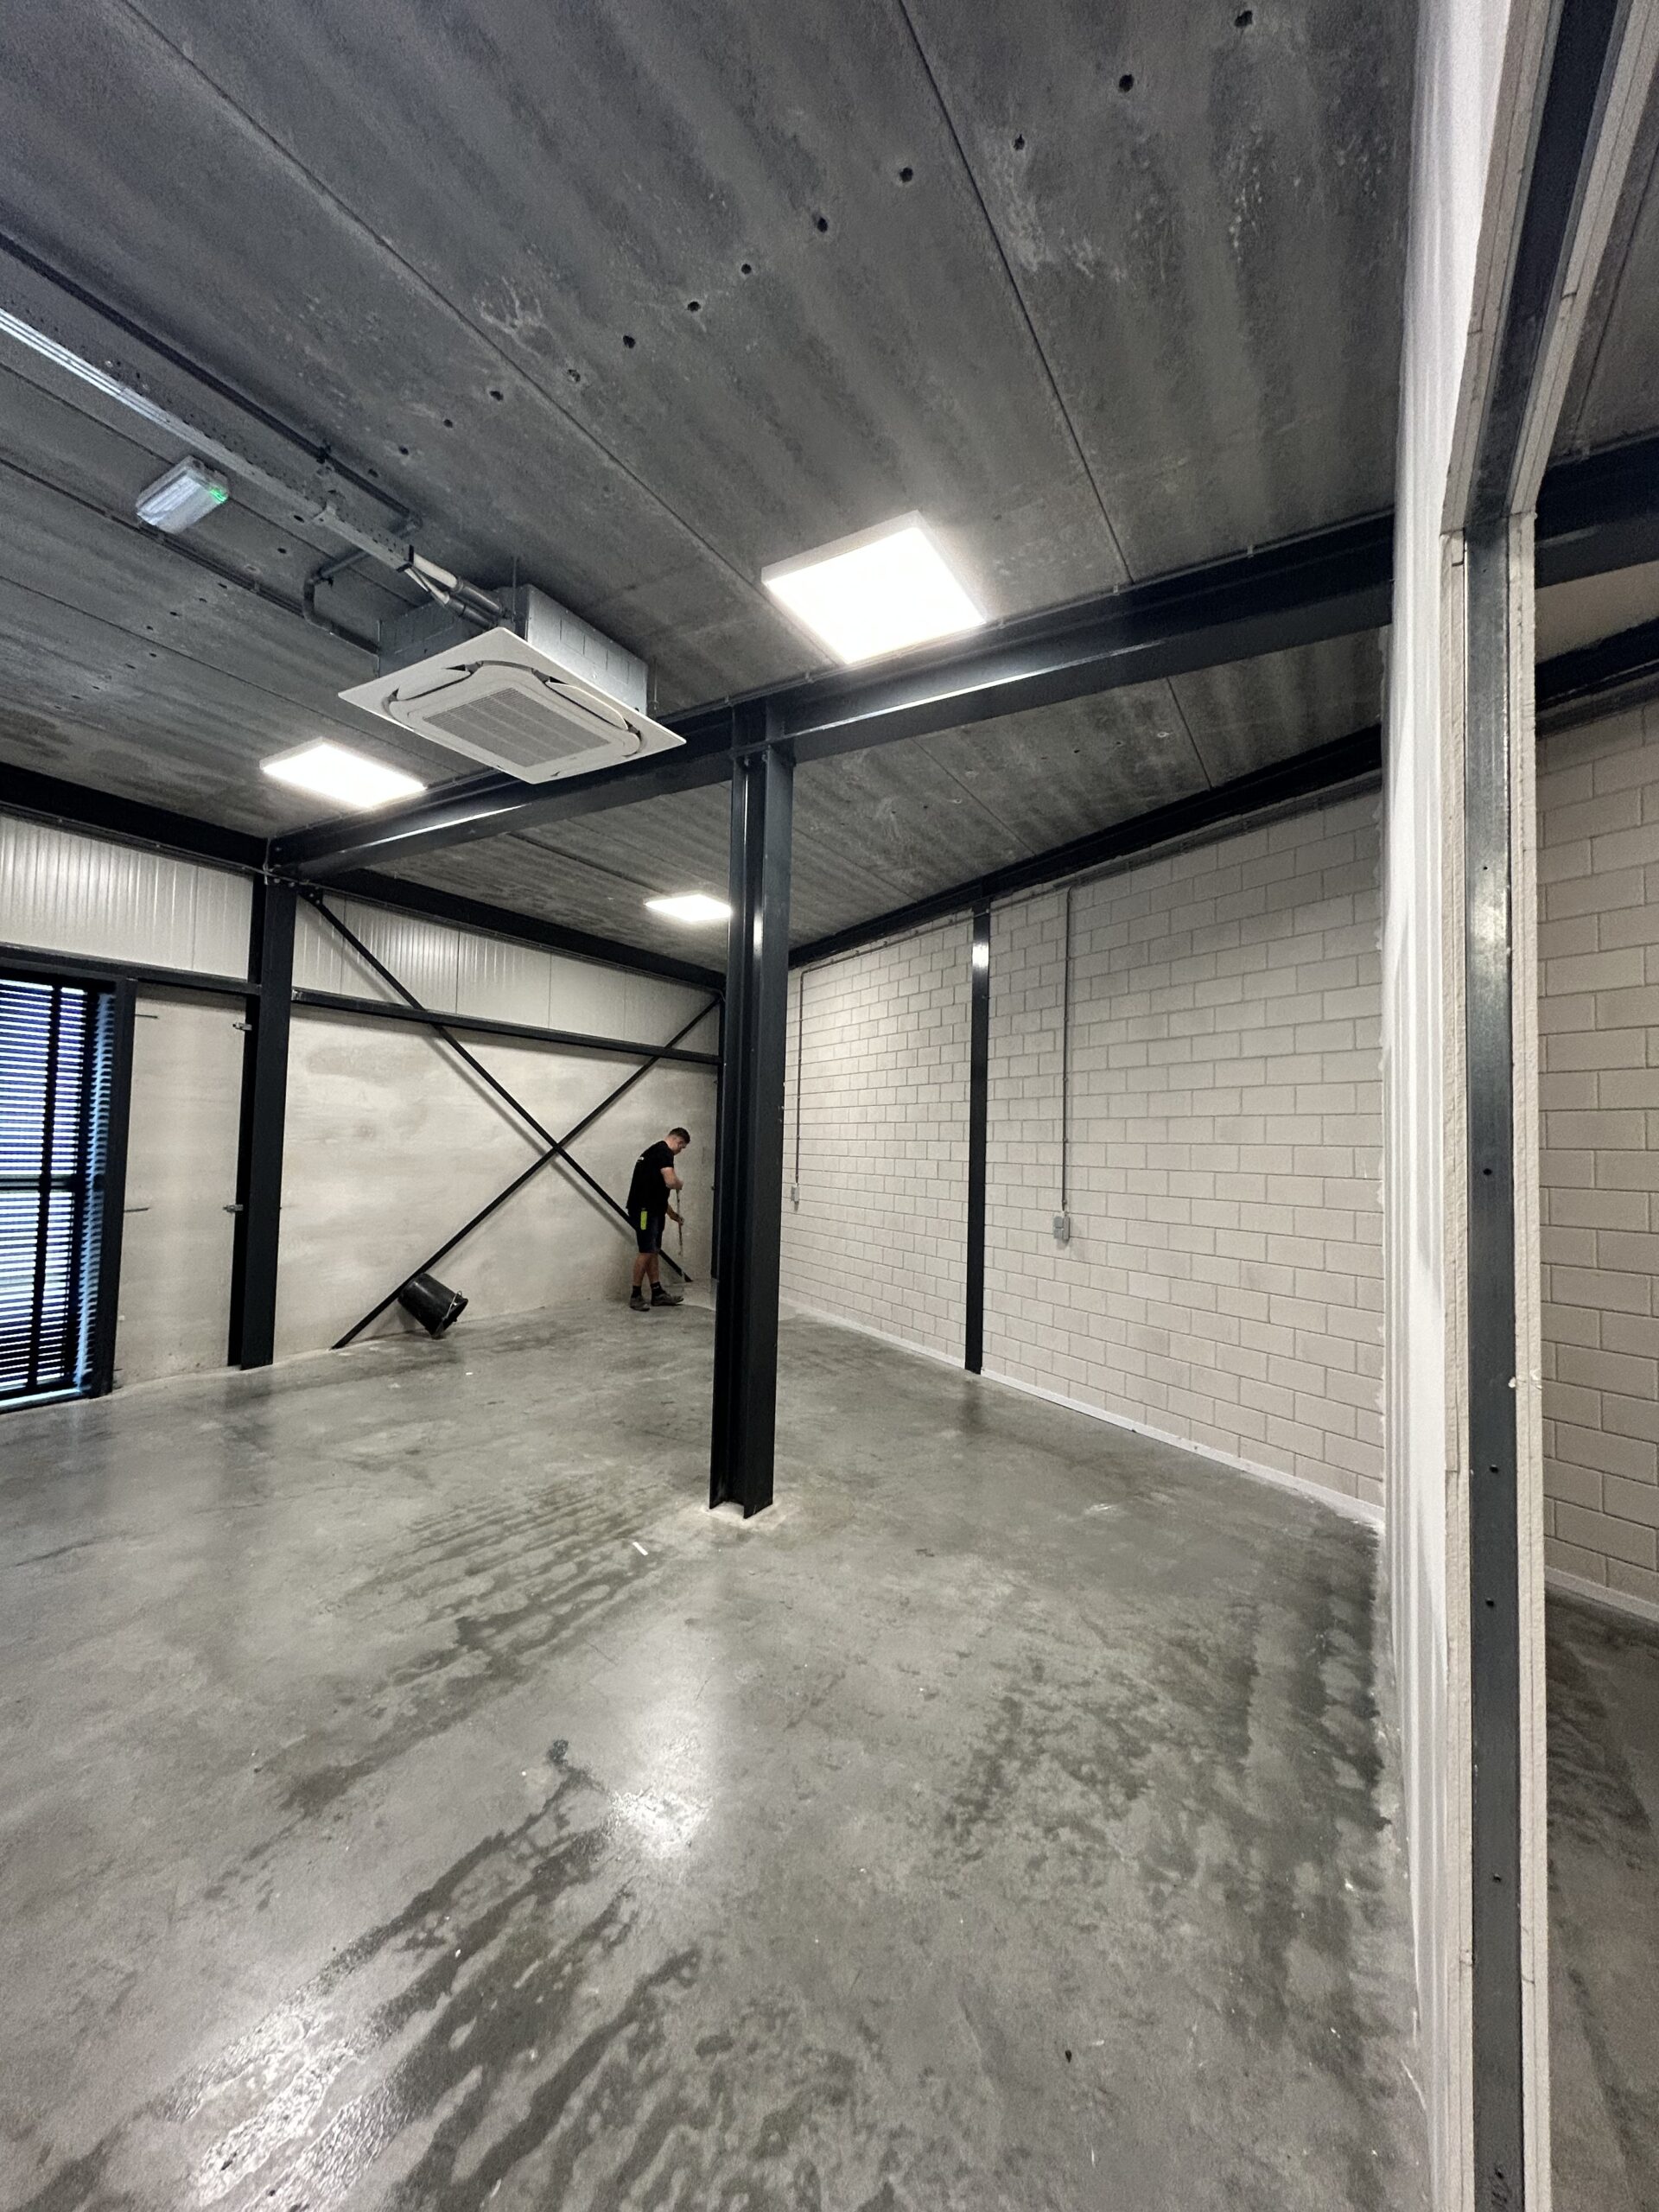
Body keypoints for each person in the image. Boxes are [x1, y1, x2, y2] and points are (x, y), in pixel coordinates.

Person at [626, 1127, 690, 1312]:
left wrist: (671, 1214)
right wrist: (679, 1183)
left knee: (653, 1250)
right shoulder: (664, 1152)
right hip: (645, 1211)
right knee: (647, 1250)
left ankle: (657, 1292)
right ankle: (635, 1295)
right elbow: (670, 1181)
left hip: (651, 1209)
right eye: (682, 1147)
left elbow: (655, 1190)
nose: (679, 1152)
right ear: (678, 1141)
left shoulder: (654, 1152)